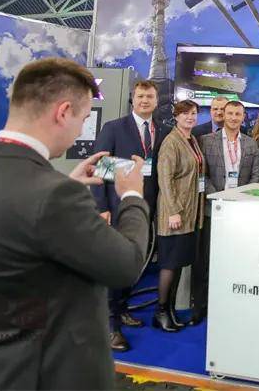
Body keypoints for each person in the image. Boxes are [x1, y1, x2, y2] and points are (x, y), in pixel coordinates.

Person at [0, 58, 149, 390]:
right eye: (83, 119)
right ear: (63, 112)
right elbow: (127, 264)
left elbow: (14, 241)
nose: (80, 132)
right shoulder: (53, 197)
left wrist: (68, 186)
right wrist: (132, 195)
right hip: (47, 375)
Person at [91, 79, 171, 351]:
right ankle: (110, 327)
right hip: (117, 209)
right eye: (140, 96)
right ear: (132, 100)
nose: (145, 101)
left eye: (149, 96)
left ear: (156, 101)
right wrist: (101, 207)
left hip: (145, 210)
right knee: (114, 266)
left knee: (133, 265)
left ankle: (122, 308)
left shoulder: (163, 131)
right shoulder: (114, 128)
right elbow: (100, 169)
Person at [193, 100, 259, 324]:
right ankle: (200, 306)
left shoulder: (251, 143)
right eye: (229, 113)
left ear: (243, 117)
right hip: (214, 208)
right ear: (223, 115)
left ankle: (231, 304)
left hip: (239, 211)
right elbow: (203, 175)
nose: (233, 117)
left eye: (237, 114)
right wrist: (218, 197)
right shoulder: (206, 140)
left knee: (236, 259)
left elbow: (255, 176)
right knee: (205, 259)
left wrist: (240, 198)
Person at [153, 99, 205, 333]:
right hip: (174, 213)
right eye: (185, 113)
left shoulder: (191, 139)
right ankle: (161, 312)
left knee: (178, 263)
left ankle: (170, 310)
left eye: (193, 113)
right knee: (169, 264)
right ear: (176, 116)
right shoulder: (171, 141)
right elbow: (165, 179)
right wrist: (173, 210)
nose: (190, 117)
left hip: (189, 212)